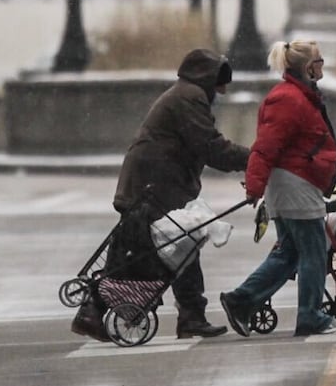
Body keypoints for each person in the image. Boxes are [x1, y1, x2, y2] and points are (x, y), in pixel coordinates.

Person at [72, 49, 250, 341]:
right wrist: (253, 158)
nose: (224, 90)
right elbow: (209, 146)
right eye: (221, 83)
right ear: (208, 79)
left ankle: (189, 315)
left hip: (153, 183)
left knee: (172, 244)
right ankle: (97, 309)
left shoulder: (185, 94)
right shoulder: (189, 97)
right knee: (156, 246)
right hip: (154, 186)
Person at [219, 40, 336, 338]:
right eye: (319, 61)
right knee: (313, 251)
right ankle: (310, 316)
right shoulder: (288, 99)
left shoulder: (297, 96)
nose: (322, 65)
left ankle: (241, 301)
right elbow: (266, 147)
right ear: (306, 67)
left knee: (289, 253)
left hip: (295, 183)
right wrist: (255, 185)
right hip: (295, 185)